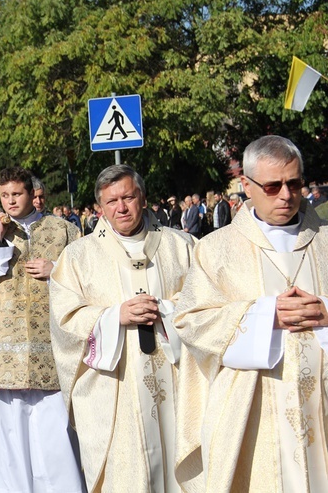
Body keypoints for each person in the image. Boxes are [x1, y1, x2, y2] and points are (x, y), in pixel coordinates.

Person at [174, 135, 328, 491]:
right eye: (273, 186)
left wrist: (324, 313)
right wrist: (265, 315)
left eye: (294, 183)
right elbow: (192, 321)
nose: (286, 195)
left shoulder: (324, 240)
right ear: (246, 184)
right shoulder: (217, 249)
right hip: (254, 413)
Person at [49, 165, 194, 492]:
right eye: (112, 201)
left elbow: (206, 303)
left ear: (143, 198)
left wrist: (167, 309)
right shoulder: (78, 257)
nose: (122, 207)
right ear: (100, 207)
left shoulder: (181, 246)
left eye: (128, 197)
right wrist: (114, 317)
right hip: (115, 390)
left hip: (178, 384)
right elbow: (64, 321)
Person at [0, 167, 84, 492]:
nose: (11, 201)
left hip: (50, 350)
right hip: (3, 355)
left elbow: (87, 275)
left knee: (54, 437)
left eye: (17, 194)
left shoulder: (63, 230)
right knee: (7, 439)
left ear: (32, 193)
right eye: (5, 196)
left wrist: (56, 270)